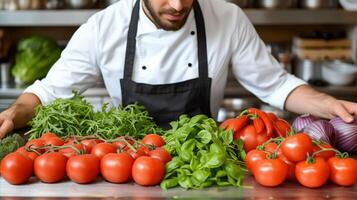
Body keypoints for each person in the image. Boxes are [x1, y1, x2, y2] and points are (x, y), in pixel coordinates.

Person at [0, 0, 356, 139]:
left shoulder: (227, 18)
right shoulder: (103, 28)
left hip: (201, 159)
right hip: (129, 163)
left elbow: (275, 84)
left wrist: (329, 104)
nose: (177, 5)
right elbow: (47, 92)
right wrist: (13, 113)